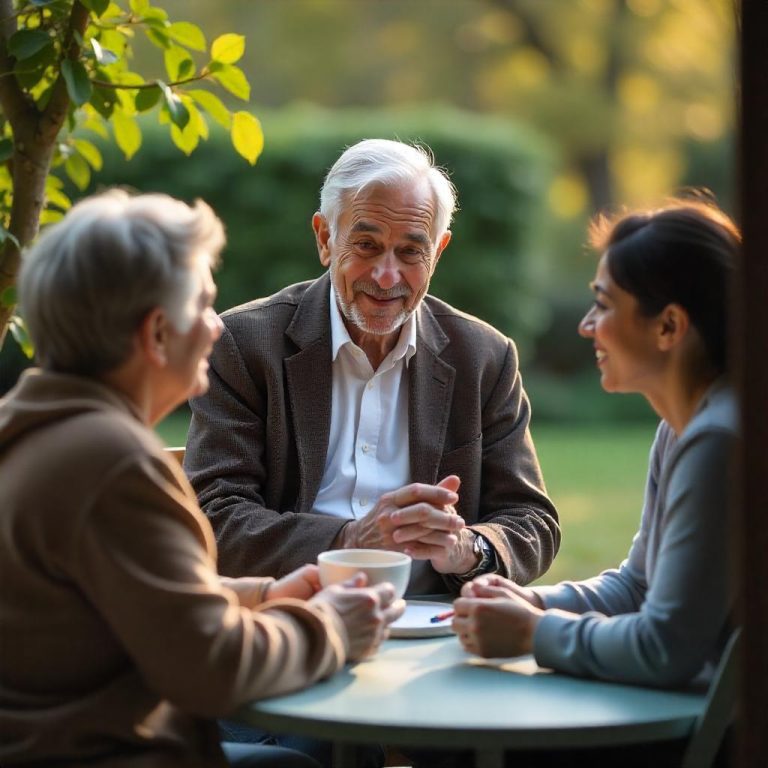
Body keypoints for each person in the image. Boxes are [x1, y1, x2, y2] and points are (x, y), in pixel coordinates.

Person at [0, 189, 404, 768]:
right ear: (157, 333)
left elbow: (136, 600)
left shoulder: (32, 425)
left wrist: (264, 595)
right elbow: (212, 669)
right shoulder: (112, 463)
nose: (217, 326)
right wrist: (329, 626)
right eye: (203, 304)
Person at [184, 138, 560, 597]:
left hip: (432, 623)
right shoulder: (244, 344)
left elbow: (532, 521)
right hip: (292, 610)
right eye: (366, 245)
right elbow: (214, 514)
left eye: (409, 252)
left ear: (437, 252)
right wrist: (349, 541)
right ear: (325, 239)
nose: (387, 276)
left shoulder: (484, 356)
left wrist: (467, 548)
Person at [453, 198, 739, 764]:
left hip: (709, 739)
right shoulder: (682, 428)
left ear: (669, 326)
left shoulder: (719, 441)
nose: (586, 326)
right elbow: (638, 587)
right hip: (679, 713)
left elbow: (665, 648)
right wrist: (525, 599)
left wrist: (535, 633)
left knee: (463, 746)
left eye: (603, 306)